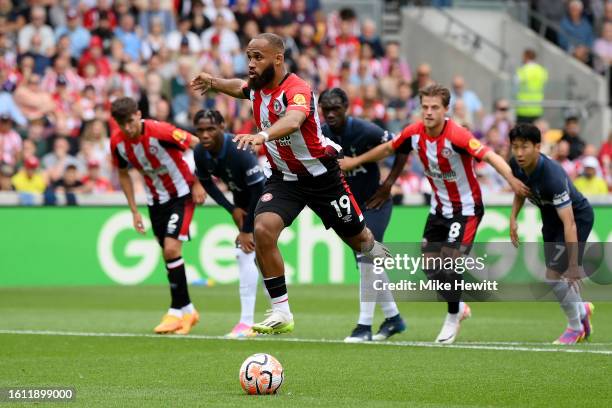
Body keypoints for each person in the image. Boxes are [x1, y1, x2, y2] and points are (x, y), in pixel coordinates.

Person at [190, 33, 390, 335]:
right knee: (262, 229)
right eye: (249, 56)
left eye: (258, 57)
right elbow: (237, 87)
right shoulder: (256, 89)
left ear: (278, 59)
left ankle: (380, 255)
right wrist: (215, 82)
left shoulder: (297, 89)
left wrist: (262, 136)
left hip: (323, 178)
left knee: (361, 243)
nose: (251, 63)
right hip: (285, 180)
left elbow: (294, 120)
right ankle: (281, 311)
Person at [340, 84, 529, 344]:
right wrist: (354, 161)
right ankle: (459, 306)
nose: (428, 112)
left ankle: (453, 315)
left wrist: (511, 179)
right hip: (439, 209)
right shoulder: (414, 132)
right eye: (425, 107)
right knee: (431, 267)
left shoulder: (458, 135)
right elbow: (388, 149)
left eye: (434, 108)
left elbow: (489, 155)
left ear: (445, 110)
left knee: (449, 264)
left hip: (466, 210)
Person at [109, 96, 206, 335]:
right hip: (155, 201)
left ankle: (180, 310)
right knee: (168, 254)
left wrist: (199, 181)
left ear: (139, 115)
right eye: (123, 124)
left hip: (182, 193)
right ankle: (182, 311)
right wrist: (134, 210)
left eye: (131, 121)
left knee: (171, 250)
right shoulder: (118, 143)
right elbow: (123, 174)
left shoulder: (160, 131)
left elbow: (197, 144)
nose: (128, 128)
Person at [319, 87, 407, 343]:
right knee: (370, 263)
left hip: (375, 203)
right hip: (348, 208)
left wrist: (389, 183)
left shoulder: (365, 130)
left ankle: (363, 326)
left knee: (368, 257)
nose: (331, 113)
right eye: (326, 109)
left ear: (347, 107)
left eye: (336, 108)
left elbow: (401, 146)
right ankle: (394, 318)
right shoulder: (321, 135)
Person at [508, 123, 594, 344]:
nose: (519, 153)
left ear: (538, 147)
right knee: (554, 276)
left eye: (524, 147)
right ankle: (581, 309)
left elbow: (570, 223)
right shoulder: (516, 165)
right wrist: (513, 218)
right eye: (515, 147)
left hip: (576, 216)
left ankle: (575, 328)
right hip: (550, 217)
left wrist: (575, 266)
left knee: (554, 275)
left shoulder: (552, 177)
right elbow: (521, 190)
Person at [192, 109, 266, 338]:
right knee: (261, 253)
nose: (204, 135)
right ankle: (279, 309)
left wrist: (246, 230)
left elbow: (259, 189)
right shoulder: (200, 152)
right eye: (200, 130)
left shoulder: (239, 150)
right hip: (243, 200)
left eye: (210, 129)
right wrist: (231, 208)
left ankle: (246, 324)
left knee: (245, 250)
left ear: (222, 127)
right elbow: (207, 182)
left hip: (267, 197)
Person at [515, 49, 548, 124]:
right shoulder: (541, 70)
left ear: (526, 56)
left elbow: (515, 83)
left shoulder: (523, 70)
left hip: (523, 109)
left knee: (522, 133)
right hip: (537, 107)